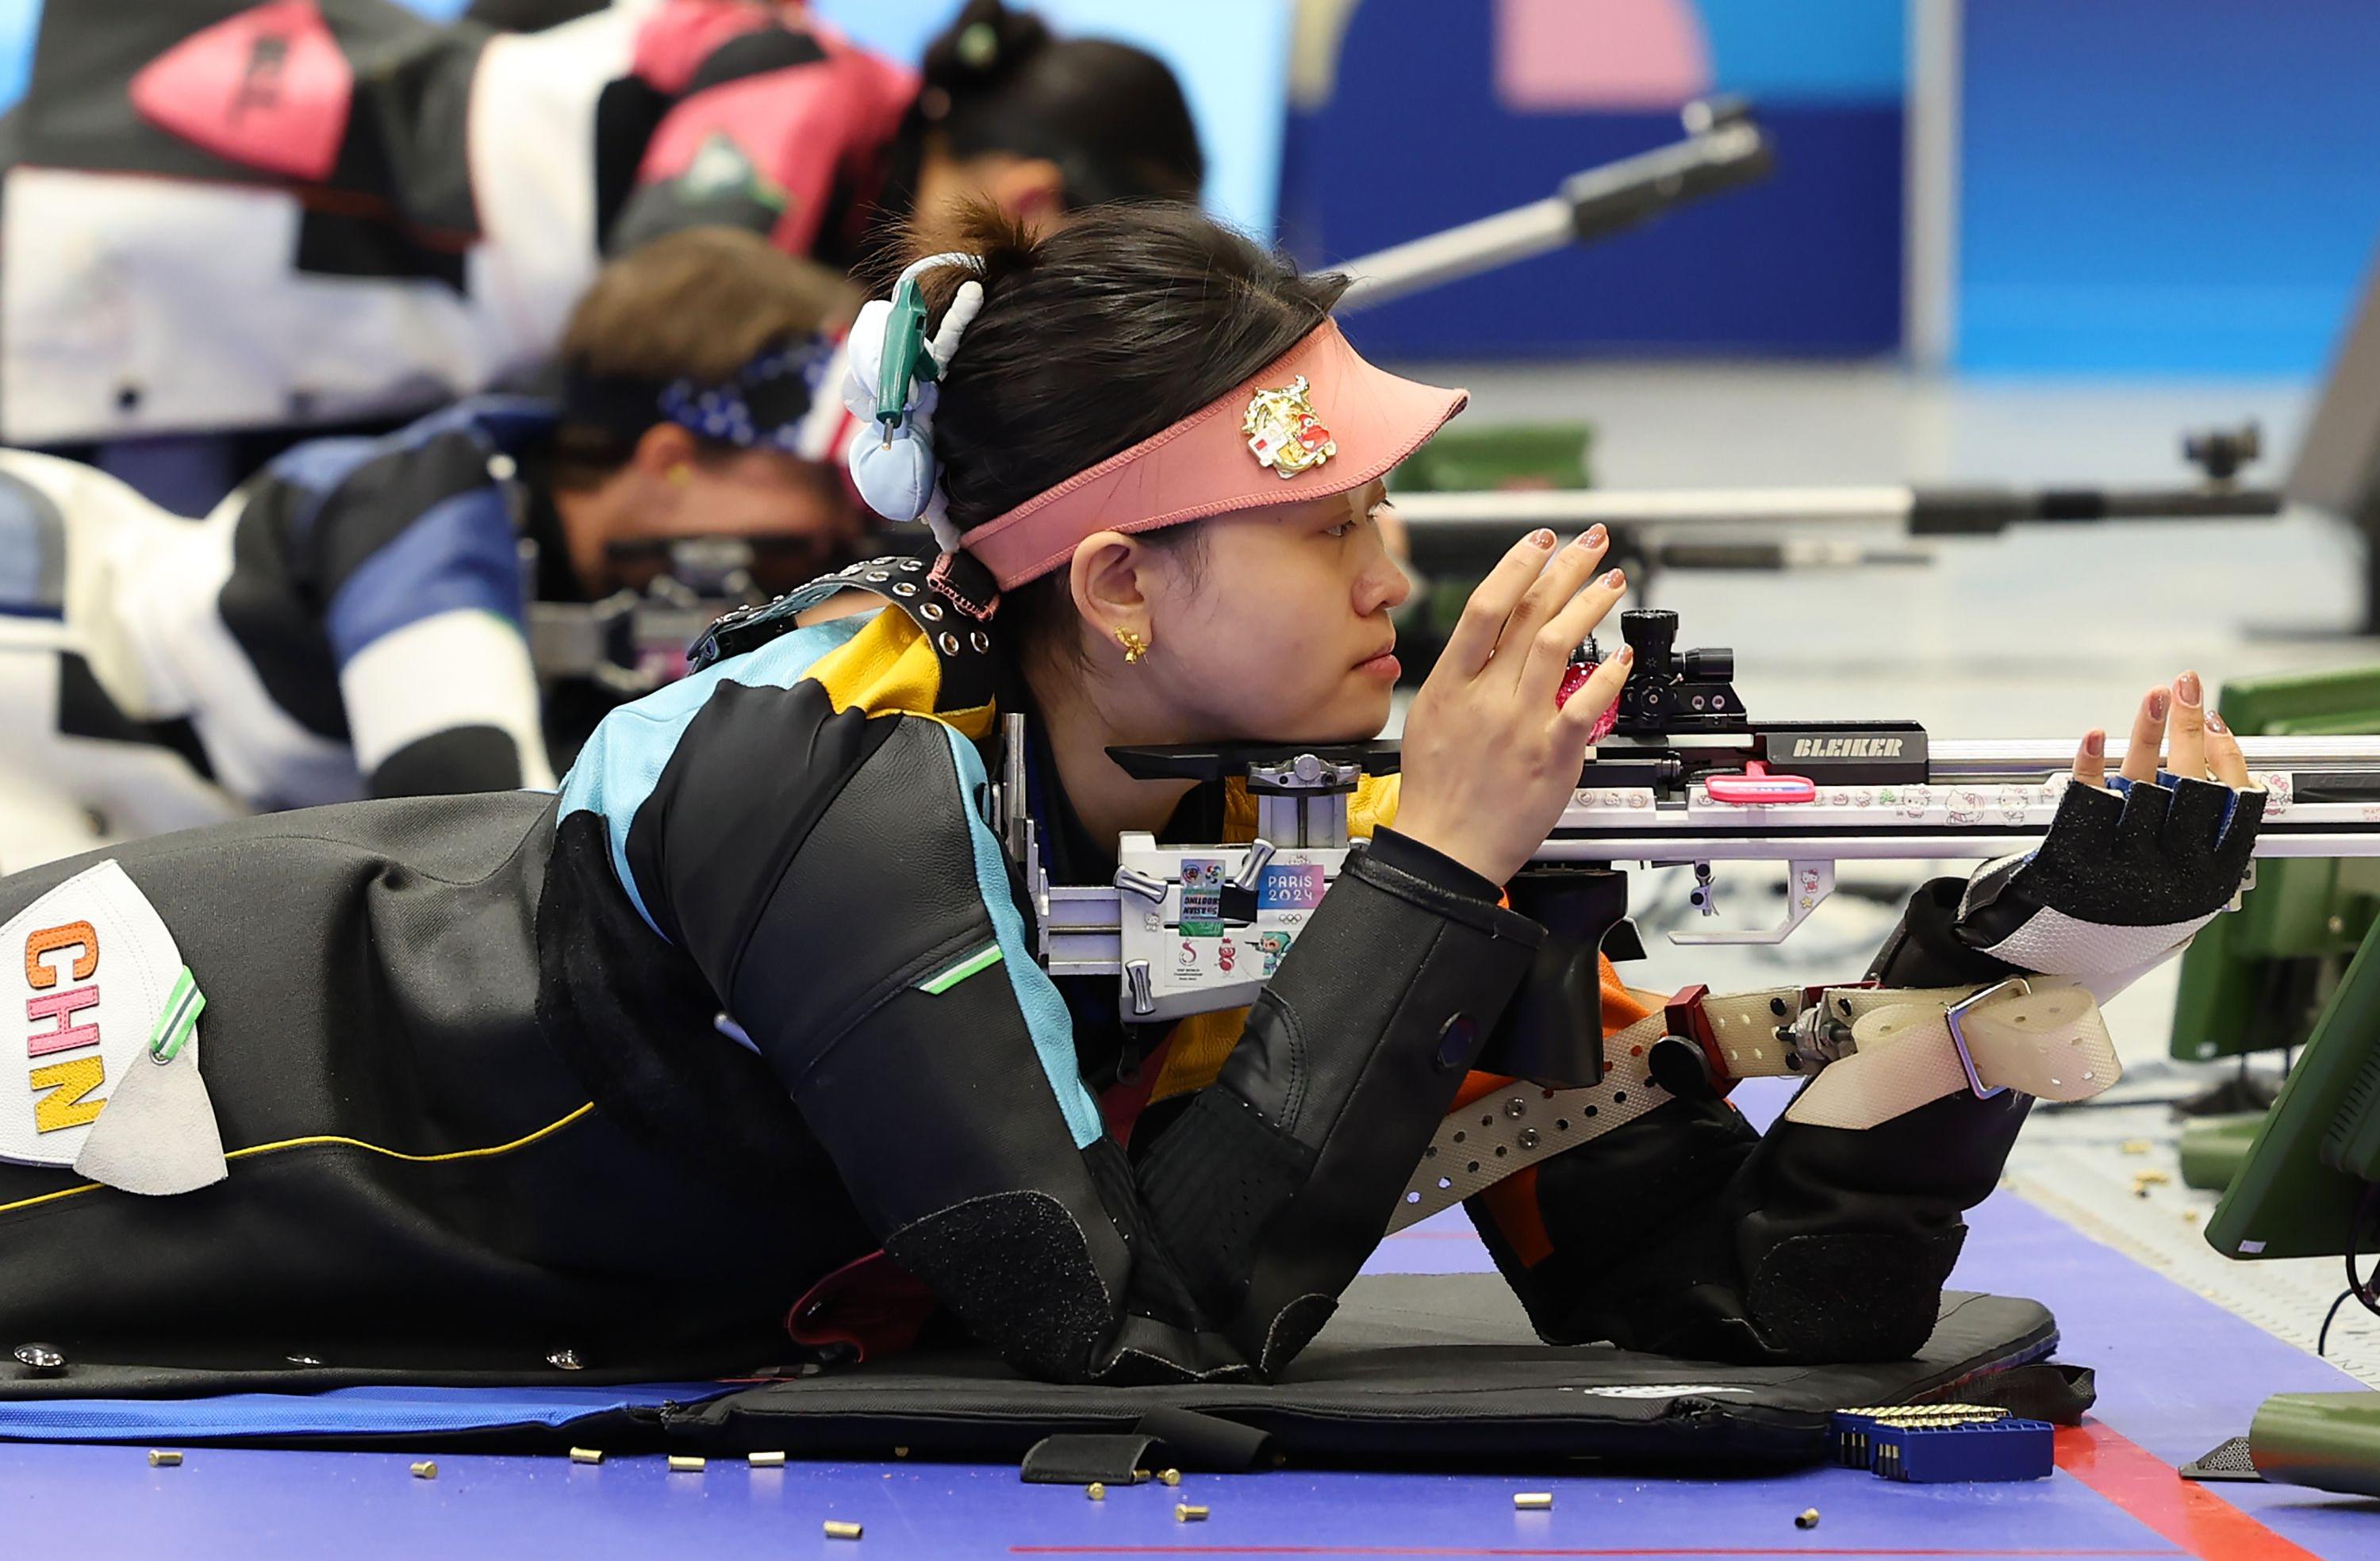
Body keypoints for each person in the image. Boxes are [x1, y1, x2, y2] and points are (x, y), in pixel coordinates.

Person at [0, 203, 2263, 1387]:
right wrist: (1443, 862)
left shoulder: (1287, 795)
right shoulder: (833, 766)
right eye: (1331, 524)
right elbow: (1111, 1321)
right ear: (1116, 582)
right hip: (142, 1105)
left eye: (1385, 510)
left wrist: (2012, 972)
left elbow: (1742, 1303)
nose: (1395, 575)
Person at [0, 225, 862, 871]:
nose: (847, 522)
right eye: (823, 479)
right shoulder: (419, 507)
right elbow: (492, 865)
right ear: (670, 461)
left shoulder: (583, 575)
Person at [0, 0, 1203, 456]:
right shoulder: (797, 76)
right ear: (1032, 200)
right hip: (153, 208)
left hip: (231, 332)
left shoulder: (820, 144)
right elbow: (661, 306)